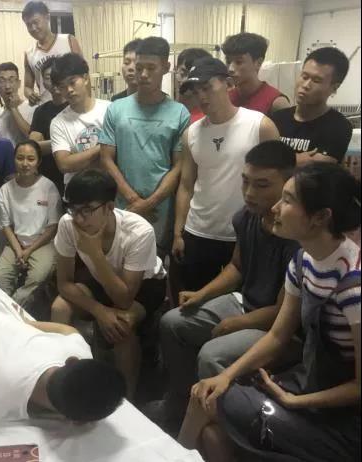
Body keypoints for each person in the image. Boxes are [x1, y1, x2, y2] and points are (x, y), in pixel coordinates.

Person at [178, 162, 361, 462]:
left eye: (287, 200)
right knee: (210, 421)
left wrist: (297, 401)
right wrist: (226, 375)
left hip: (343, 419)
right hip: (308, 385)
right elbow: (277, 336)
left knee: (210, 401)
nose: (275, 207)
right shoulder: (303, 261)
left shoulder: (353, 285)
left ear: (320, 217)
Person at [151, 141, 301, 434]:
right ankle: (181, 404)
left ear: (287, 186)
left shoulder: (295, 235)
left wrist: (237, 323)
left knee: (213, 354)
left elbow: (283, 314)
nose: (249, 192)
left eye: (262, 185)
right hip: (246, 303)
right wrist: (202, 294)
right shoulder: (246, 217)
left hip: (283, 328)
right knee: (172, 322)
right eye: (245, 181)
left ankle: (222, 430)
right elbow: (237, 267)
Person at [0, 249, 126, 426]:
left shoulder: (78, 352)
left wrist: (27, 324)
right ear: (77, 421)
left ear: (71, 361)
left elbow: (69, 331)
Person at [51, 170, 166, 398]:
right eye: (73, 209)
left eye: (87, 210)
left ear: (109, 207)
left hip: (145, 285)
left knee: (120, 327)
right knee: (59, 307)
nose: (79, 219)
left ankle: (125, 400)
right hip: (99, 277)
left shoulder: (139, 231)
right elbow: (63, 283)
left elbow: (124, 299)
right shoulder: (68, 223)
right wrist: (99, 310)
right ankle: (63, 382)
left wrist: (95, 253)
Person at [173, 57, 280, 292]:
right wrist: (178, 232)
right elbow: (186, 185)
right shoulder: (191, 134)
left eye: (207, 88)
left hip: (243, 234)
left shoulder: (260, 126)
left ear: (228, 84)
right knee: (193, 298)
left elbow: (279, 182)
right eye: (196, 91)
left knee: (241, 300)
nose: (201, 97)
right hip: (198, 231)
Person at [100, 37, 190, 256]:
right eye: (139, 67)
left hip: (161, 210)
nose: (143, 74)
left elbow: (179, 167)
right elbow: (106, 159)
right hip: (123, 206)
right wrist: (133, 200)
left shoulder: (179, 113)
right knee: (119, 260)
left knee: (154, 264)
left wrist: (149, 203)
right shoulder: (116, 109)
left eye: (151, 68)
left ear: (166, 67)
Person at [0, 140, 61, 305]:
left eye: (30, 159)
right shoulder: (5, 190)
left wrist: (29, 251)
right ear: (14, 159)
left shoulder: (48, 187)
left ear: (38, 162)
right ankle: (3, 307)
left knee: (37, 278)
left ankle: (15, 309)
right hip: (16, 243)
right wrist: (18, 250)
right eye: (20, 158)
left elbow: (53, 227)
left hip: (43, 243)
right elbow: (6, 225)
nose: (25, 163)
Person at [271, 47, 353, 165]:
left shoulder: (338, 126)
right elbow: (261, 161)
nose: (306, 85)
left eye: (316, 80)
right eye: (304, 77)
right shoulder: (276, 118)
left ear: (334, 88)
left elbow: (318, 168)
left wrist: (277, 160)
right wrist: (296, 160)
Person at [50, 53, 110, 188]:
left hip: (109, 189)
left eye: (72, 82)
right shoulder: (58, 122)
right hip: (76, 192)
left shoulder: (110, 109)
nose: (69, 90)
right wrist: (103, 147)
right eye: (62, 86)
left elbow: (118, 154)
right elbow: (64, 164)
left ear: (86, 78)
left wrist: (79, 159)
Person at [22, 1, 82, 105]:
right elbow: (27, 87)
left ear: (47, 17)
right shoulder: (29, 54)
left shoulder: (68, 40)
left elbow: (83, 73)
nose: (33, 28)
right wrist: (30, 94)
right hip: (47, 107)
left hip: (72, 104)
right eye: (28, 25)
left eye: (36, 22)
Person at [222, 32, 290, 115]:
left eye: (239, 62)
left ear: (258, 63)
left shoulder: (276, 103)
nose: (230, 69)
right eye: (228, 61)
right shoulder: (226, 98)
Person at [28, 57, 67, 195]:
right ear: (43, 82)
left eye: (58, 76)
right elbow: (34, 147)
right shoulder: (41, 111)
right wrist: (67, 142)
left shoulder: (75, 107)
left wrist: (49, 144)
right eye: (49, 77)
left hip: (74, 175)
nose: (54, 81)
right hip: (48, 179)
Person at [0, 62, 36, 146]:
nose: (7, 86)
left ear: (19, 83)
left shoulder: (33, 108)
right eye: (2, 81)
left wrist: (14, 109)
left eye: (11, 80)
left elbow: (33, 138)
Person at [174, 47, 212, 123]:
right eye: (183, 73)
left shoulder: (207, 120)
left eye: (194, 75)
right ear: (175, 70)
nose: (187, 80)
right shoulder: (165, 110)